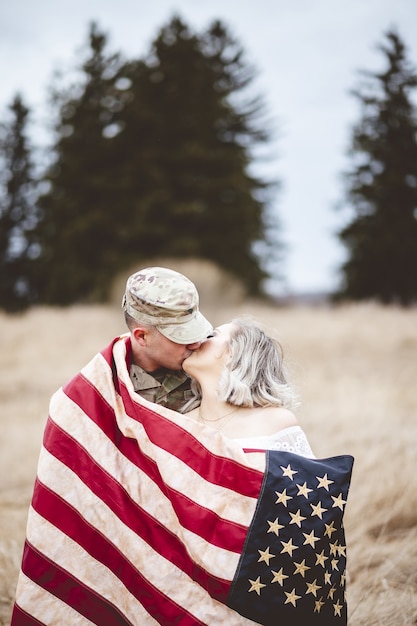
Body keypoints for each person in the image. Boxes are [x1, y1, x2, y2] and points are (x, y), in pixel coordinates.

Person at [182, 317, 315, 457]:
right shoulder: (178, 423)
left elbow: (305, 477)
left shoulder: (275, 422)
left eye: (211, 336)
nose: (196, 343)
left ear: (233, 353)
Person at [121, 266, 213, 412]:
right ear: (142, 337)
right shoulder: (104, 387)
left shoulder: (209, 367)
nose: (196, 344)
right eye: (182, 336)